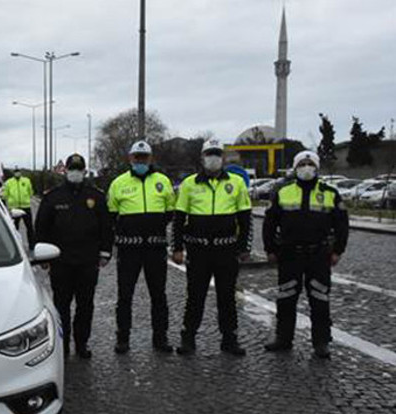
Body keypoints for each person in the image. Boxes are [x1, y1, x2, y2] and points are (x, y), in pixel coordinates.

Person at [262, 151, 349, 358]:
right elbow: (269, 222)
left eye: (310, 163)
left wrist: (338, 250)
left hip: (318, 254)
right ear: (295, 167)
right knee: (286, 297)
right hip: (290, 254)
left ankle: (321, 342)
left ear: (317, 167)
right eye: (302, 163)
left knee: (319, 298)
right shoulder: (283, 191)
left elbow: (342, 225)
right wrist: (270, 249)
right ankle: (283, 338)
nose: (306, 167)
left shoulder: (330, 192)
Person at [172, 139, 252, 356]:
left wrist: (245, 247)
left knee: (227, 297)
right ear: (202, 157)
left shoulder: (236, 183)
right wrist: (177, 248)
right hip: (198, 252)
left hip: (226, 250)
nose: (213, 158)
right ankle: (188, 338)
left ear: (223, 157)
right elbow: (179, 219)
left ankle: (229, 339)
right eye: (209, 154)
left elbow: (245, 220)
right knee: (195, 296)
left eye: (217, 154)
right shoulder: (189, 184)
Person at [35, 153, 111, 359]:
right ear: (65, 171)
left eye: (79, 169)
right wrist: (42, 256)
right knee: (61, 305)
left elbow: (106, 226)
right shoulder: (53, 197)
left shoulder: (96, 196)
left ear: (84, 171)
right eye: (72, 169)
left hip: (88, 261)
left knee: (86, 305)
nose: (75, 173)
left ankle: (81, 343)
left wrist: (105, 252)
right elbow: (41, 227)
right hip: (61, 261)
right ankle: (62, 344)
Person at [106, 141, 176, 354]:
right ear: (130, 158)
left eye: (144, 157)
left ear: (150, 158)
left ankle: (160, 338)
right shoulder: (118, 183)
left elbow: (170, 212)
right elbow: (111, 215)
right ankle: (123, 338)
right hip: (129, 251)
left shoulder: (163, 181)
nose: (140, 161)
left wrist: (152, 228)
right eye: (137, 157)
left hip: (155, 249)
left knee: (159, 295)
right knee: (125, 295)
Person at [2, 166, 35, 247]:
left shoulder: (26, 181)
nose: (17, 173)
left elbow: (30, 192)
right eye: (16, 172)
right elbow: (5, 194)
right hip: (14, 208)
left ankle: (32, 245)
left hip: (26, 207)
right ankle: (15, 246)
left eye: (18, 171)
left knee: (30, 227)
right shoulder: (9, 182)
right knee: (14, 228)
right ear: (14, 173)